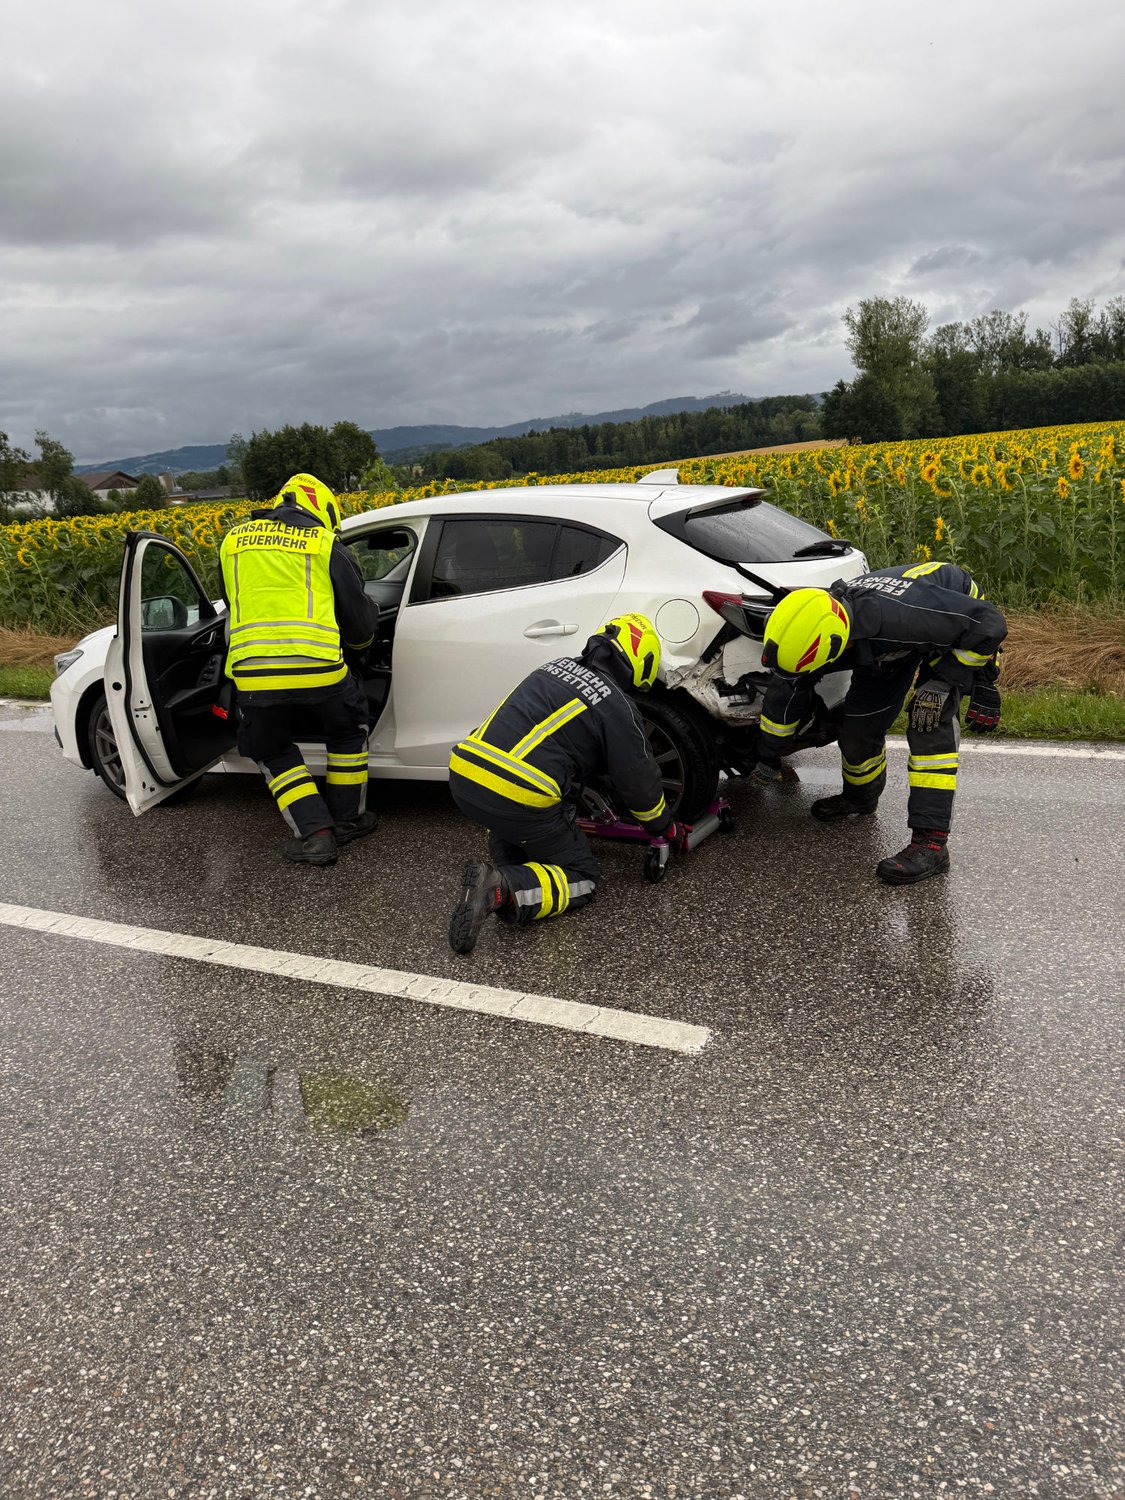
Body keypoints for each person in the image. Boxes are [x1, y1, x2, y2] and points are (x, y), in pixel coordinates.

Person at [750, 560, 1006, 885]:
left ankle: (932, 844)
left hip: (954, 629)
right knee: (858, 728)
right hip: (888, 644)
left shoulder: (905, 614)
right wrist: (768, 755)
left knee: (927, 721)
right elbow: (788, 687)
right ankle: (861, 797)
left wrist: (953, 680)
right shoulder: (810, 625)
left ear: (836, 644)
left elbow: (988, 624)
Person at [446, 613, 690, 952]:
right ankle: (503, 887)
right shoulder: (616, 705)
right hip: (517, 794)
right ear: (641, 662)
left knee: (519, 819)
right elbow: (639, 783)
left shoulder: (552, 667)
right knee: (582, 876)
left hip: (465, 776)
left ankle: (509, 864)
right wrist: (665, 827)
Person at [218, 472, 380, 866]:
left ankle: (316, 835)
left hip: (254, 674)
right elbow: (359, 622)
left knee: (271, 748)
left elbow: (233, 603)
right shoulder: (325, 544)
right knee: (346, 731)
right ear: (321, 509)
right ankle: (349, 819)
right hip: (321, 669)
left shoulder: (233, 542)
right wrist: (359, 650)